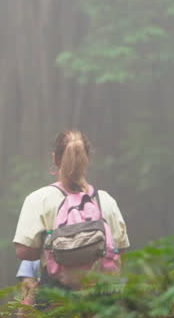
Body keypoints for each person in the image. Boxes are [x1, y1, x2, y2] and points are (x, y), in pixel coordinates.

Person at [13, 130, 129, 303]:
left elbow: (24, 252)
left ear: (55, 159)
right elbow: (122, 249)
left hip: (56, 297)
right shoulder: (106, 200)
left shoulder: (38, 199)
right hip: (102, 298)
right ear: (88, 158)